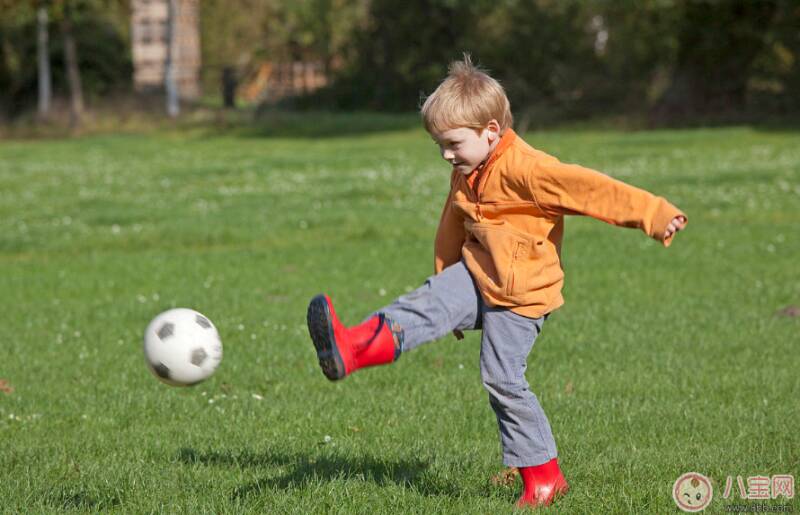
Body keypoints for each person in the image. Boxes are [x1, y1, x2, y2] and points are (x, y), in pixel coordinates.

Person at [305, 55, 687, 508]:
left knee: (502, 379)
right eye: (439, 145)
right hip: (475, 274)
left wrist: (655, 214)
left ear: (490, 131)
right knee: (425, 303)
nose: (447, 154)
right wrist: (447, 284)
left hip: (521, 295)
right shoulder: (466, 171)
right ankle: (351, 348)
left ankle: (545, 476)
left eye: (453, 143)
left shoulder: (530, 169)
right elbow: (451, 225)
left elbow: (592, 189)